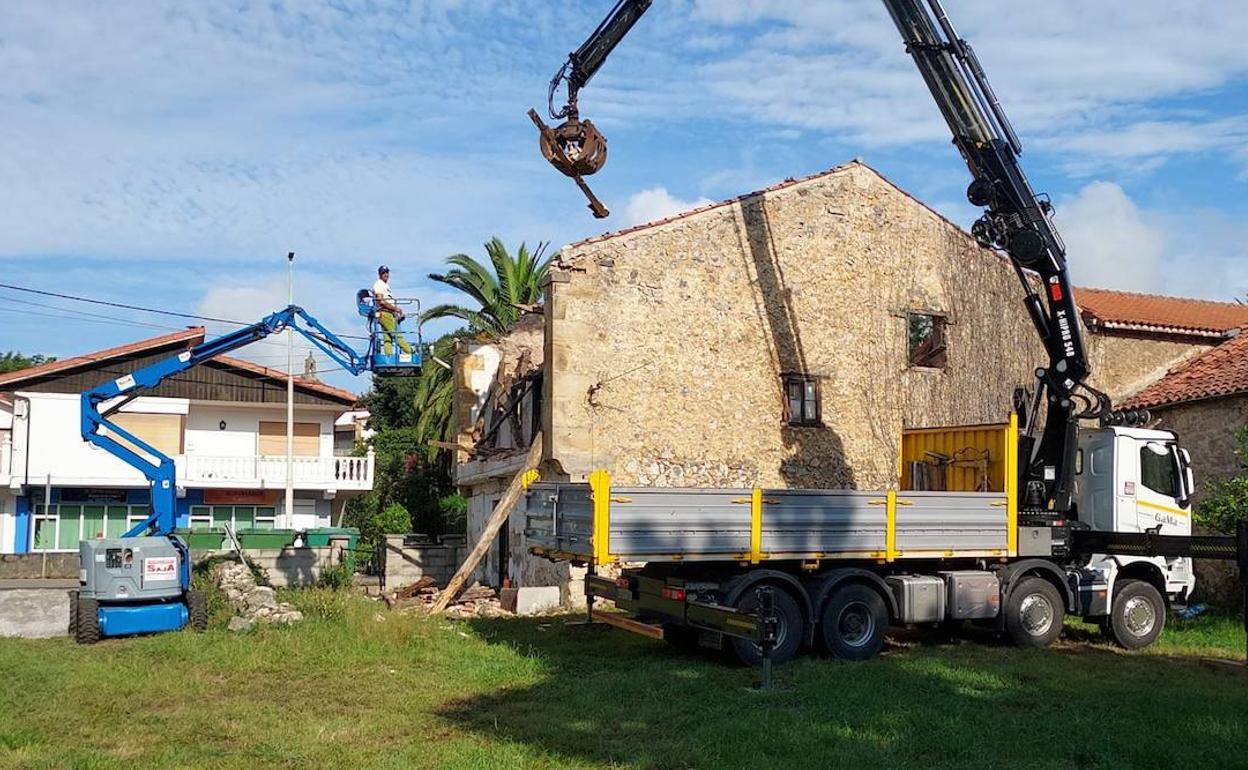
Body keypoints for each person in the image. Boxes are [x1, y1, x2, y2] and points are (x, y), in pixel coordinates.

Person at [372, 265, 414, 356]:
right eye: (383, 272)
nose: (386, 274)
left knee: (388, 338)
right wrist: (396, 309)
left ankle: (388, 357)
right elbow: (381, 301)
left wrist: (394, 312)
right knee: (397, 334)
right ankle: (411, 352)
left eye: (387, 272)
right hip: (385, 313)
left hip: (388, 313)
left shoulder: (385, 285)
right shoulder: (378, 284)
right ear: (380, 274)